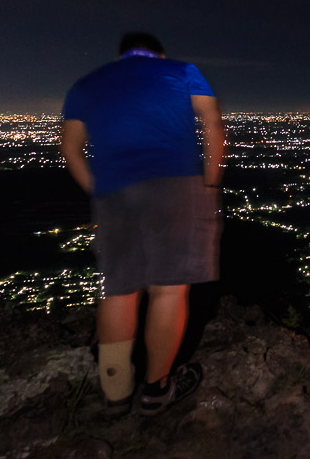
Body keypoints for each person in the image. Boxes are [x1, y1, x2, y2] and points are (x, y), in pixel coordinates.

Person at [59, 32, 225, 416]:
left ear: (121, 57)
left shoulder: (87, 84)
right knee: (168, 291)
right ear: (160, 54)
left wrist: (97, 189)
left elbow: (70, 148)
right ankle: (156, 390)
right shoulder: (182, 71)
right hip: (175, 183)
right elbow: (212, 124)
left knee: (118, 290)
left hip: (115, 191)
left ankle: (115, 395)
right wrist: (211, 181)